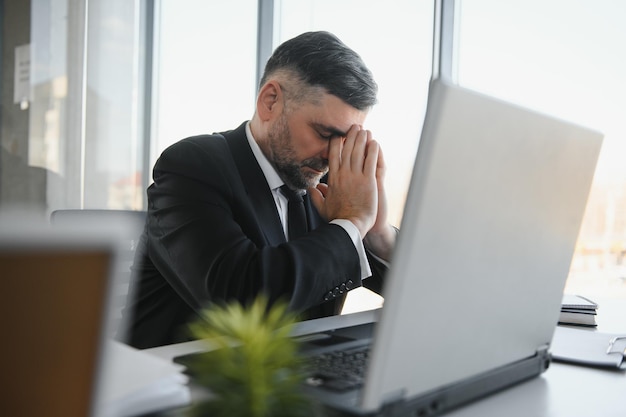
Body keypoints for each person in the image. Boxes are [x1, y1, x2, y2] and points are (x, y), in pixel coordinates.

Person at [124, 31, 397, 349]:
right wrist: (350, 224)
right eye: (324, 132)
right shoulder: (193, 166)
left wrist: (376, 231)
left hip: (295, 379)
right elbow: (239, 298)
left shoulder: (327, 185)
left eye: (346, 141)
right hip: (192, 385)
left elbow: (415, 292)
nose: (331, 156)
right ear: (271, 101)